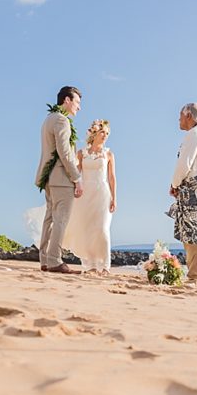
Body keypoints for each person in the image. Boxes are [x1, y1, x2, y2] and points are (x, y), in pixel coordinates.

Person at [35, 86, 84, 274]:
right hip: (61, 178)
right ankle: (55, 260)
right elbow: (65, 153)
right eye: (77, 102)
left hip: (48, 177)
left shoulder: (49, 119)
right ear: (67, 100)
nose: (79, 107)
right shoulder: (62, 121)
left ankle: (45, 260)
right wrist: (77, 178)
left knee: (50, 219)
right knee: (61, 219)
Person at [62, 119, 117, 274]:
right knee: (87, 230)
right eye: (102, 132)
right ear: (94, 134)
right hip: (85, 195)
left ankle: (105, 265)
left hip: (102, 193)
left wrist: (114, 198)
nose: (105, 136)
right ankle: (91, 265)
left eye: (107, 133)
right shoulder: (82, 153)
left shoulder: (108, 154)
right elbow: (76, 173)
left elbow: (112, 178)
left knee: (102, 228)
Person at [169, 102, 197, 286]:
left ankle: (196, 277)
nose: (179, 119)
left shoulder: (194, 134)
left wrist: (174, 184)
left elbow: (184, 165)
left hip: (193, 191)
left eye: (180, 115)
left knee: (192, 233)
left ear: (189, 116)